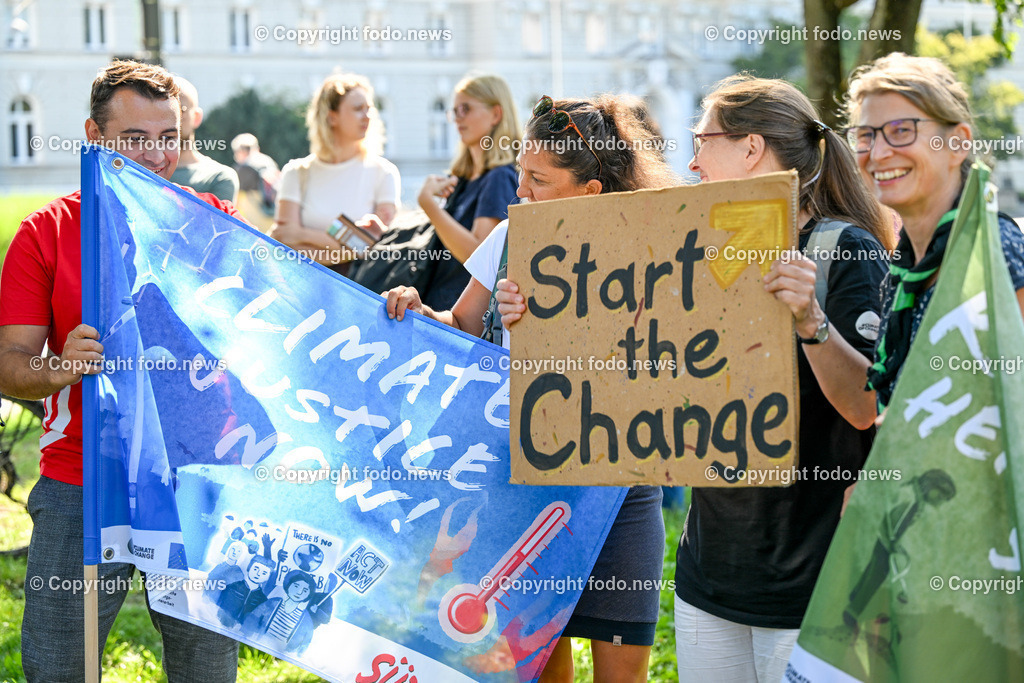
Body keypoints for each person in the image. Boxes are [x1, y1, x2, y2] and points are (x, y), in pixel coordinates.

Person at [386, 94, 677, 683]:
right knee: (538, 658)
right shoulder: (510, 238)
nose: (520, 192)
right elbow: (464, 325)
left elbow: (664, 365)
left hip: (619, 488)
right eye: (520, 172)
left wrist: (555, 321)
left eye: (539, 180)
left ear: (589, 192)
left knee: (623, 667)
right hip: (523, 480)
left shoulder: (650, 253)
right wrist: (419, 311)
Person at [0, 60, 241, 682]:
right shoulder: (46, 233)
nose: (158, 155)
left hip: (193, 481)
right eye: (137, 138)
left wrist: (396, 302)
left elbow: (286, 320)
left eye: (170, 137)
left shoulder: (211, 221)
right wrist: (56, 368)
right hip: (83, 482)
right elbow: (9, 365)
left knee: (205, 673)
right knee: (58, 670)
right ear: (93, 135)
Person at [655, 75, 891, 683]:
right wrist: (541, 316)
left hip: (810, 582)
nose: (691, 159)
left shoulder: (846, 249)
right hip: (710, 574)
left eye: (702, 140)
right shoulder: (698, 252)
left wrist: (811, 320)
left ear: (751, 147)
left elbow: (867, 407)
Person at [844, 52, 1024, 410]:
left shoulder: (994, 252)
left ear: (957, 143)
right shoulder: (903, 272)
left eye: (901, 131)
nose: (878, 153)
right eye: (865, 136)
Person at [269, 73, 400, 269]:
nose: (367, 116)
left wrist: (301, 235)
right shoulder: (296, 172)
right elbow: (282, 243)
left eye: (369, 108)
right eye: (357, 109)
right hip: (302, 289)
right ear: (332, 117)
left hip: (360, 292)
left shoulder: (384, 172)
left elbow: (375, 249)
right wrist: (348, 247)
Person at [415, 74, 521, 310]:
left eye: (466, 109)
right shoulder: (464, 178)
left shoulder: (499, 177)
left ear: (496, 114)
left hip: (463, 321)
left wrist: (429, 206)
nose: (457, 119)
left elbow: (479, 255)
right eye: (454, 111)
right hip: (442, 309)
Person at [170, 76, 240, 203]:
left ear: (196, 117)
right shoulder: (136, 169)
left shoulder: (218, 177)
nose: (170, 119)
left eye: (179, 110)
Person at [231, 133, 281, 230]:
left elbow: (235, 198)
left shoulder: (245, 168)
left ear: (240, 151)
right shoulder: (268, 161)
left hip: (255, 223)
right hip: (273, 217)